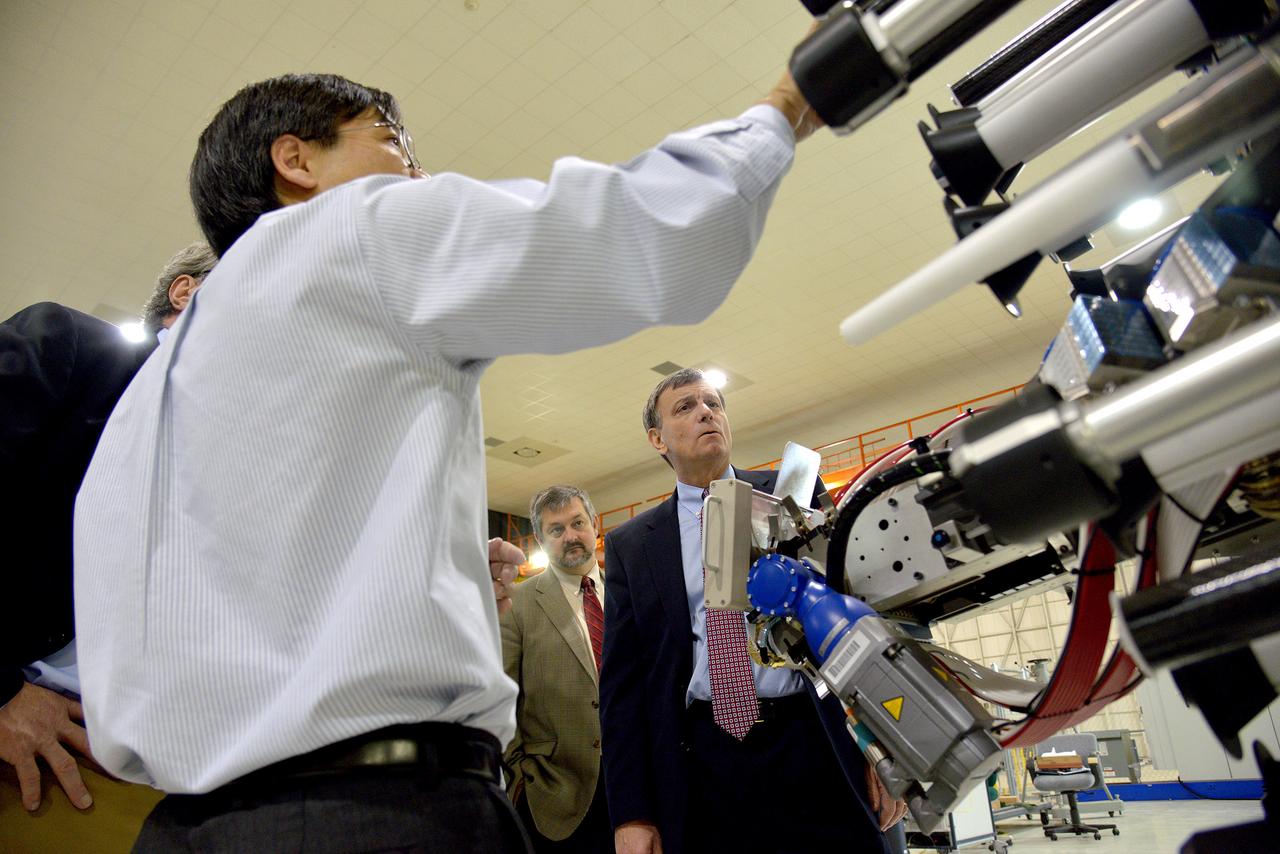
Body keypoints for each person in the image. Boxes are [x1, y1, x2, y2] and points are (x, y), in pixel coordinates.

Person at [73, 58, 823, 851]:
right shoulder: (352, 230)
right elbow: (645, 233)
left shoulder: (142, 403)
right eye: (391, 140)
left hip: (181, 827)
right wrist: (788, 106)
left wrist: (427, 584)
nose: (417, 170)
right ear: (295, 162)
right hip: (378, 816)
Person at [599, 368, 908, 854]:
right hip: (705, 759)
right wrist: (632, 813)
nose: (706, 411)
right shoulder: (631, 546)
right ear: (657, 439)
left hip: (816, 739)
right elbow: (623, 690)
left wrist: (885, 750)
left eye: (714, 403)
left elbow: (860, 621)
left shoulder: (793, 495)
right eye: (686, 407)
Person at [0, 243, 214, 846]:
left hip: (151, 772)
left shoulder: (231, 460)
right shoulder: (65, 347)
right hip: (28, 727)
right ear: (187, 291)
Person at [502, 485, 612, 854]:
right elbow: (503, 698)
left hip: (636, 787)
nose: (570, 536)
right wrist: (519, 781)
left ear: (594, 524)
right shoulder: (518, 604)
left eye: (577, 523)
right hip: (555, 795)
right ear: (540, 538)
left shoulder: (628, 590)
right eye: (556, 529)